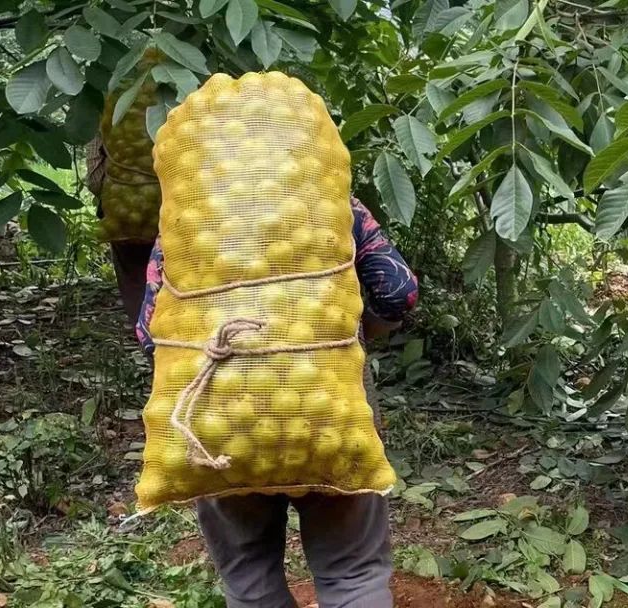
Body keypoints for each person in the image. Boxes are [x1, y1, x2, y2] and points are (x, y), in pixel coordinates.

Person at [135, 196, 418, 608]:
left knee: (249, 577)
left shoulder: (189, 207)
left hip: (222, 428)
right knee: (352, 573)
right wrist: (343, 335)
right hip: (328, 414)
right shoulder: (331, 201)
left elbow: (149, 333)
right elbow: (399, 293)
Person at [85, 137, 155, 327]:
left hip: (124, 219)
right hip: (173, 213)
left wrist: (120, 192)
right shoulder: (177, 117)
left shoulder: (104, 119)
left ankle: (147, 336)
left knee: (134, 281)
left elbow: (94, 178)